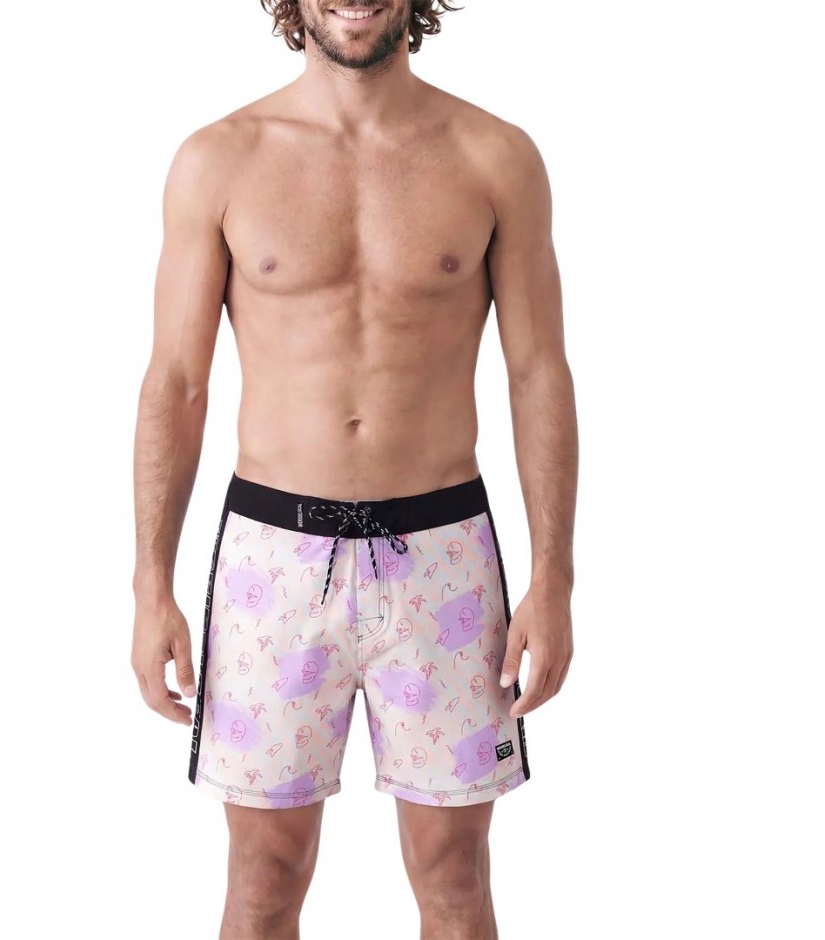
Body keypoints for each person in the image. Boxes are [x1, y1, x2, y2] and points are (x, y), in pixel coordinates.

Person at [131, 2, 577, 937]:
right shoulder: (219, 160)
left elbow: (538, 373)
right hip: (273, 560)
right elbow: (177, 382)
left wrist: (555, 580)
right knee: (263, 877)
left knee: (454, 873)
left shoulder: (495, 157)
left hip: (443, 555)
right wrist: (149, 586)